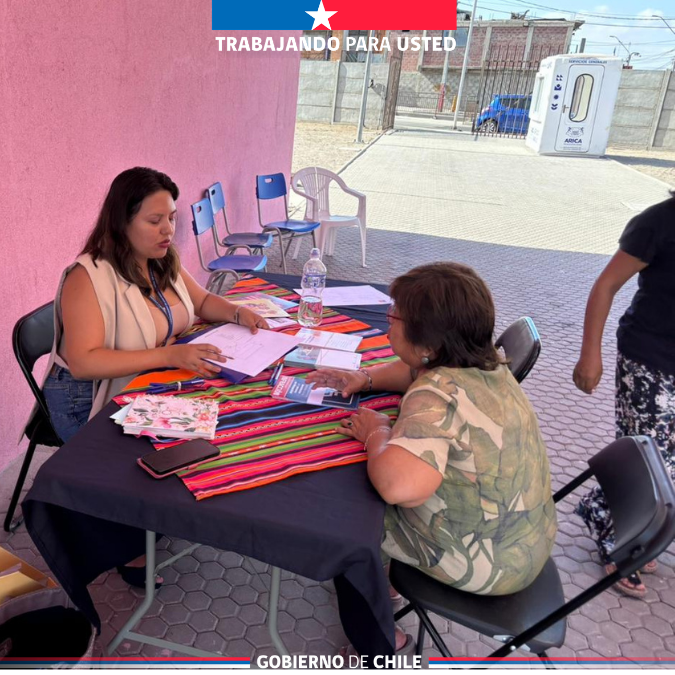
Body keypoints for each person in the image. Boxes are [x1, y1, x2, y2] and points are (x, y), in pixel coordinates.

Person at [306, 262, 557, 653]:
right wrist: (366, 379)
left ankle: (380, 646)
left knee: (350, 529)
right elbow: (414, 372)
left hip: (488, 565)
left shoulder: (438, 394)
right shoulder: (486, 364)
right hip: (525, 540)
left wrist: (376, 432)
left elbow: (398, 487)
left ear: (428, 345)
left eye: (394, 317)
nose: (388, 325)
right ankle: (389, 589)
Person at [39, 167, 268, 587]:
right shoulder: (87, 277)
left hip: (145, 380)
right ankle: (126, 544)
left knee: (220, 420)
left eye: (172, 218)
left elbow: (202, 301)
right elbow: (85, 362)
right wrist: (169, 354)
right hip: (85, 396)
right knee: (147, 458)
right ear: (122, 221)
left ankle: (158, 516)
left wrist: (240, 313)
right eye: (154, 220)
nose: (168, 230)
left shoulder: (161, 260)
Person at [573, 192, 675, 598]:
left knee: (665, 465)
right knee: (649, 460)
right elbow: (606, 285)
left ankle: (614, 517)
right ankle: (619, 539)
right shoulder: (659, 222)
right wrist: (589, 354)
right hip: (649, 359)